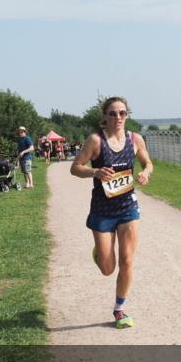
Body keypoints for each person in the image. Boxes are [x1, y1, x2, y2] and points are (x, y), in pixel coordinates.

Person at [70, 96, 153, 329]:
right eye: (113, 113)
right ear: (104, 117)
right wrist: (95, 173)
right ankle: (100, 253)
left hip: (127, 207)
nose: (118, 117)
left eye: (122, 113)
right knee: (108, 269)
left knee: (127, 260)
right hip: (102, 210)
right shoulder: (96, 141)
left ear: (127, 116)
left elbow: (148, 162)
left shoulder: (135, 139)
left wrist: (146, 172)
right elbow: (75, 167)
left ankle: (119, 309)